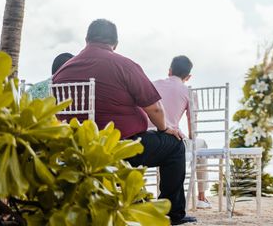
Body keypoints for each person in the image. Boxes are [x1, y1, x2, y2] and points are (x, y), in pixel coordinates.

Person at [52, 19, 196, 225]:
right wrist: (165, 129)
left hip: (77, 150)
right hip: (120, 148)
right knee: (175, 146)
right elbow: (155, 108)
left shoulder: (62, 71)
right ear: (116, 43)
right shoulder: (123, 64)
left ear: (86, 40)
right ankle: (171, 215)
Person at [152, 55, 211, 208]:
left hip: (149, 139)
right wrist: (191, 137)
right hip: (172, 141)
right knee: (202, 144)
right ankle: (201, 197)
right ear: (188, 76)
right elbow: (193, 127)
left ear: (169, 71)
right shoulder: (188, 92)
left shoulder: (153, 84)